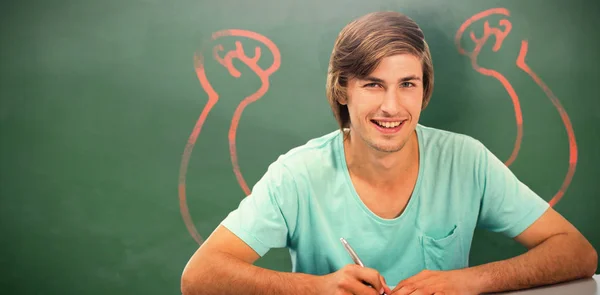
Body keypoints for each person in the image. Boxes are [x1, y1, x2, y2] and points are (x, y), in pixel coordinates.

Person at [180, 11, 597, 295]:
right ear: (343, 89)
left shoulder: (467, 160)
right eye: (373, 84)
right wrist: (318, 288)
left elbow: (577, 252)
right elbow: (200, 275)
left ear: (424, 89)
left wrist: (469, 282)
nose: (392, 107)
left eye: (407, 84)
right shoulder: (297, 173)